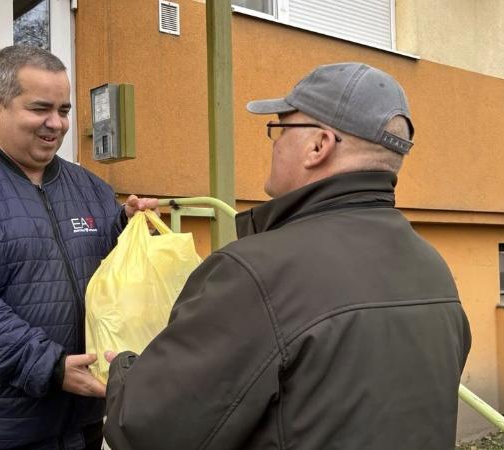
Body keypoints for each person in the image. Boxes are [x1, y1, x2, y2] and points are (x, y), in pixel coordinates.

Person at [103, 62, 472, 450]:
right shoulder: (431, 266)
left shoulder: (257, 272)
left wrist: (122, 371)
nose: (274, 143)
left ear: (318, 146)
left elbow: (146, 430)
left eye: (280, 128)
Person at [0, 45, 157, 450]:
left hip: (84, 420)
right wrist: (50, 367)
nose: (56, 124)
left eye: (64, 110)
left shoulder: (92, 188)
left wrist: (129, 232)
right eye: (40, 108)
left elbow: (113, 286)